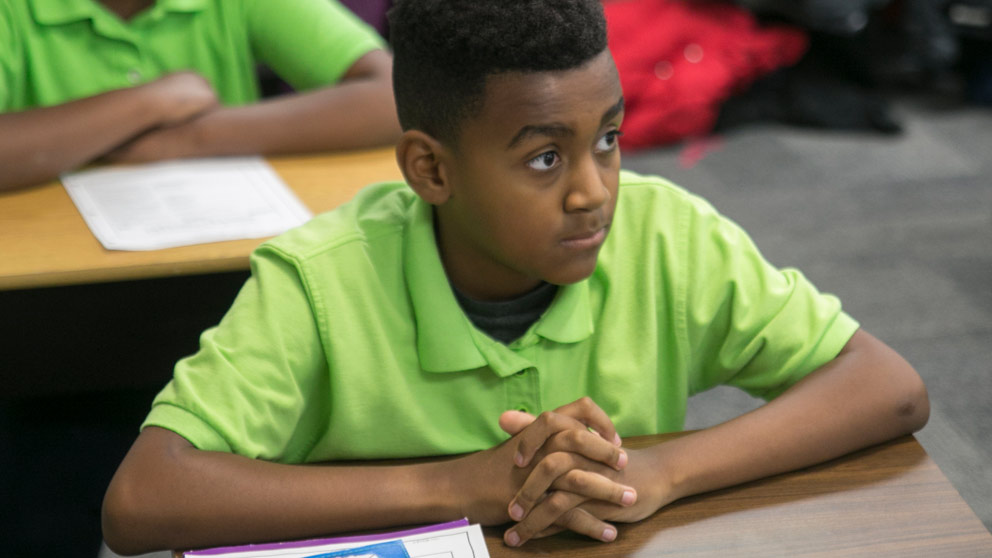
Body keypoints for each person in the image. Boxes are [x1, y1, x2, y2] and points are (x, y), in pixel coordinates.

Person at [101, 0, 929, 554]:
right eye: (544, 157)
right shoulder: (323, 281)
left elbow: (887, 387)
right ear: (430, 169)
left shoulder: (666, 233)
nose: (593, 189)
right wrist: (463, 484)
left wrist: (662, 471)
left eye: (608, 138)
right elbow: (143, 500)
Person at [0, 0, 399, 191]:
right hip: (43, 281)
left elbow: (394, 97)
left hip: (220, 261)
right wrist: (147, 103)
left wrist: (189, 138)